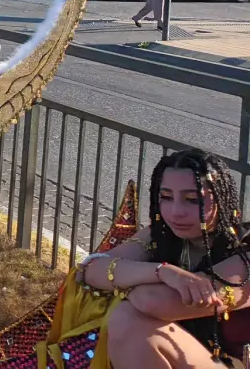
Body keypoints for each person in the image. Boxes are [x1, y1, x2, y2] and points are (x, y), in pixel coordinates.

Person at [69, 148, 250, 368]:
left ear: (222, 199)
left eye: (193, 200)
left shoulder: (245, 253)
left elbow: (155, 301)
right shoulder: (162, 235)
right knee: (128, 318)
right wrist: (163, 272)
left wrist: (122, 281)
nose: (176, 212)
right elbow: (90, 269)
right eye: (166, 197)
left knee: (128, 319)